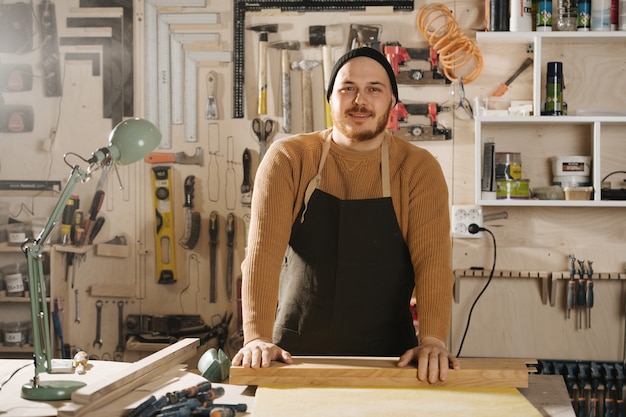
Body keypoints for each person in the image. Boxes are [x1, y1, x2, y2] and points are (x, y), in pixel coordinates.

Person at [232, 47, 459, 383]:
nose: (360, 100)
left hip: (390, 362)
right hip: (293, 358)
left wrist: (433, 340)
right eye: (347, 88)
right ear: (331, 99)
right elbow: (262, 255)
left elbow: (434, 264)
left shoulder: (418, 169)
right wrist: (256, 337)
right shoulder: (289, 159)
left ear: (392, 102)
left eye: (374, 89)